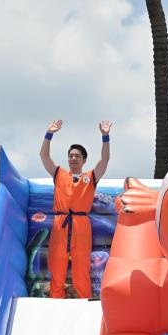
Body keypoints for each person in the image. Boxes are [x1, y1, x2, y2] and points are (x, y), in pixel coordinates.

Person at [39, 119, 111, 298]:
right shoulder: (59, 174)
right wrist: (49, 134)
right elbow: (44, 157)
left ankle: (84, 301)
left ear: (84, 160)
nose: (73, 159)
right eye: (70, 155)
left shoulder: (91, 176)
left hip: (81, 224)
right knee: (57, 266)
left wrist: (105, 136)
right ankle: (56, 300)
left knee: (81, 266)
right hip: (60, 223)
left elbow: (105, 159)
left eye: (77, 156)